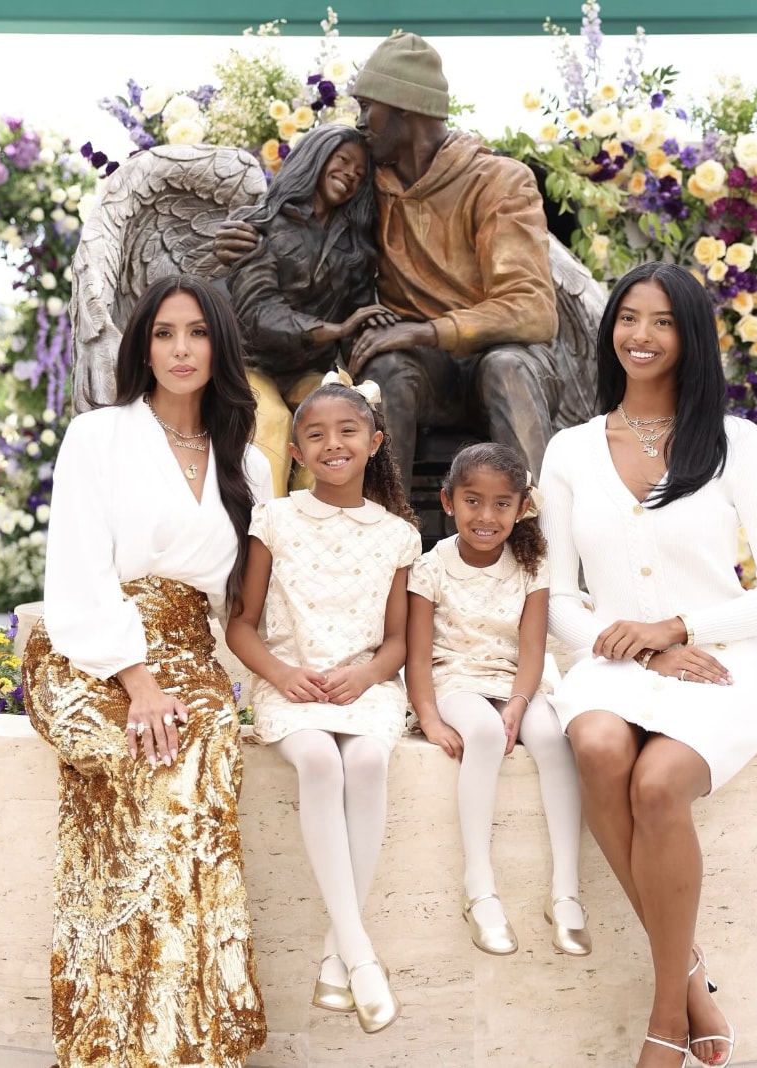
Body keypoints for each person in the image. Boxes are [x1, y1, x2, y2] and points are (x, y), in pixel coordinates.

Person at [537, 262, 757, 1068]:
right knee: (596, 747)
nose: (641, 336)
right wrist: (624, 638)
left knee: (657, 787)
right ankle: (686, 978)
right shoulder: (571, 451)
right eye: (628, 318)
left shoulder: (736, 445)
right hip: (610, 663)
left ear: (690, 337)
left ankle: (663, 1019)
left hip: (716, 666)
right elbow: (552, 595)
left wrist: (680, 625)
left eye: (661, 321)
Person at [22, 275, 272, 1067]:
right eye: (163, 334)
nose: (180, 350)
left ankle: (179, 1042)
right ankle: (122, 1040)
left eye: (196, 333)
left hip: (189, 654)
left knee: (199, 754)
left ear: (219, 346)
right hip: (87, 648)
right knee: (158, 763)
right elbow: (78, 572)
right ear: (142, 346)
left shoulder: (249, 464)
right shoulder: (100, 436)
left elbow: (246, 605)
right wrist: (137, 681)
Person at [225, 370, 421, 1035]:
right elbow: (242, 625)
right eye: (315, 434)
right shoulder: (274, 519)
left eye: (347, 431)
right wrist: (281, 674)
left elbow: (397, 642)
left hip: (365, 688)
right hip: (291, 687)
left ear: (374, 441)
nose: (332, 444)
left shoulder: (397, 534)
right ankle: (359, 958)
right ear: (296, 454)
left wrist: (367, 677)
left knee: (366, 763)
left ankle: (338, 958)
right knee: (318, 762)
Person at [347, 31, 561, 493]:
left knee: (505, 368)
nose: (360, 122)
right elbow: (302, 223)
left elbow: (533, 309)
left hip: (509, 363)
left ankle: (543, 544)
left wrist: (424, 330)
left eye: (368, 107)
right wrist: (254, 235)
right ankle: (384, 545)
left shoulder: (500, 181)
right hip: (428, 374)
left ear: (404, 106)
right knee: (383, 374)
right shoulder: (365, 182)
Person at [406, 443, 590, 958]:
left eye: (501, 503)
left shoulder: (532, 567)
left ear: (521, 508)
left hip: (515, 679)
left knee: (554, 737)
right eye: (472, 501)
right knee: (484, 734)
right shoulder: (430, 566)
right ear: (447, 502)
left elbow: (532, 650)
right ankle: (480, 889)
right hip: (454, 680)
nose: (486, 516)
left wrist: (518, 702)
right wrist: (429, 717)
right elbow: (417, 659)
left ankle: (567, 891)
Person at [226, 123, 395, 497]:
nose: (350, 175)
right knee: (271, 421)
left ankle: (321, 535)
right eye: (343, 161)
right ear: (316, 158)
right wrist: (336, 329)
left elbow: (361, 312)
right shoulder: (263, 225)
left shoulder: (355, 249)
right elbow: (258, 313)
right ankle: (264, 537)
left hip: (309, 370)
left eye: (359, 174)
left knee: (332, 422)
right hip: (252, 365)